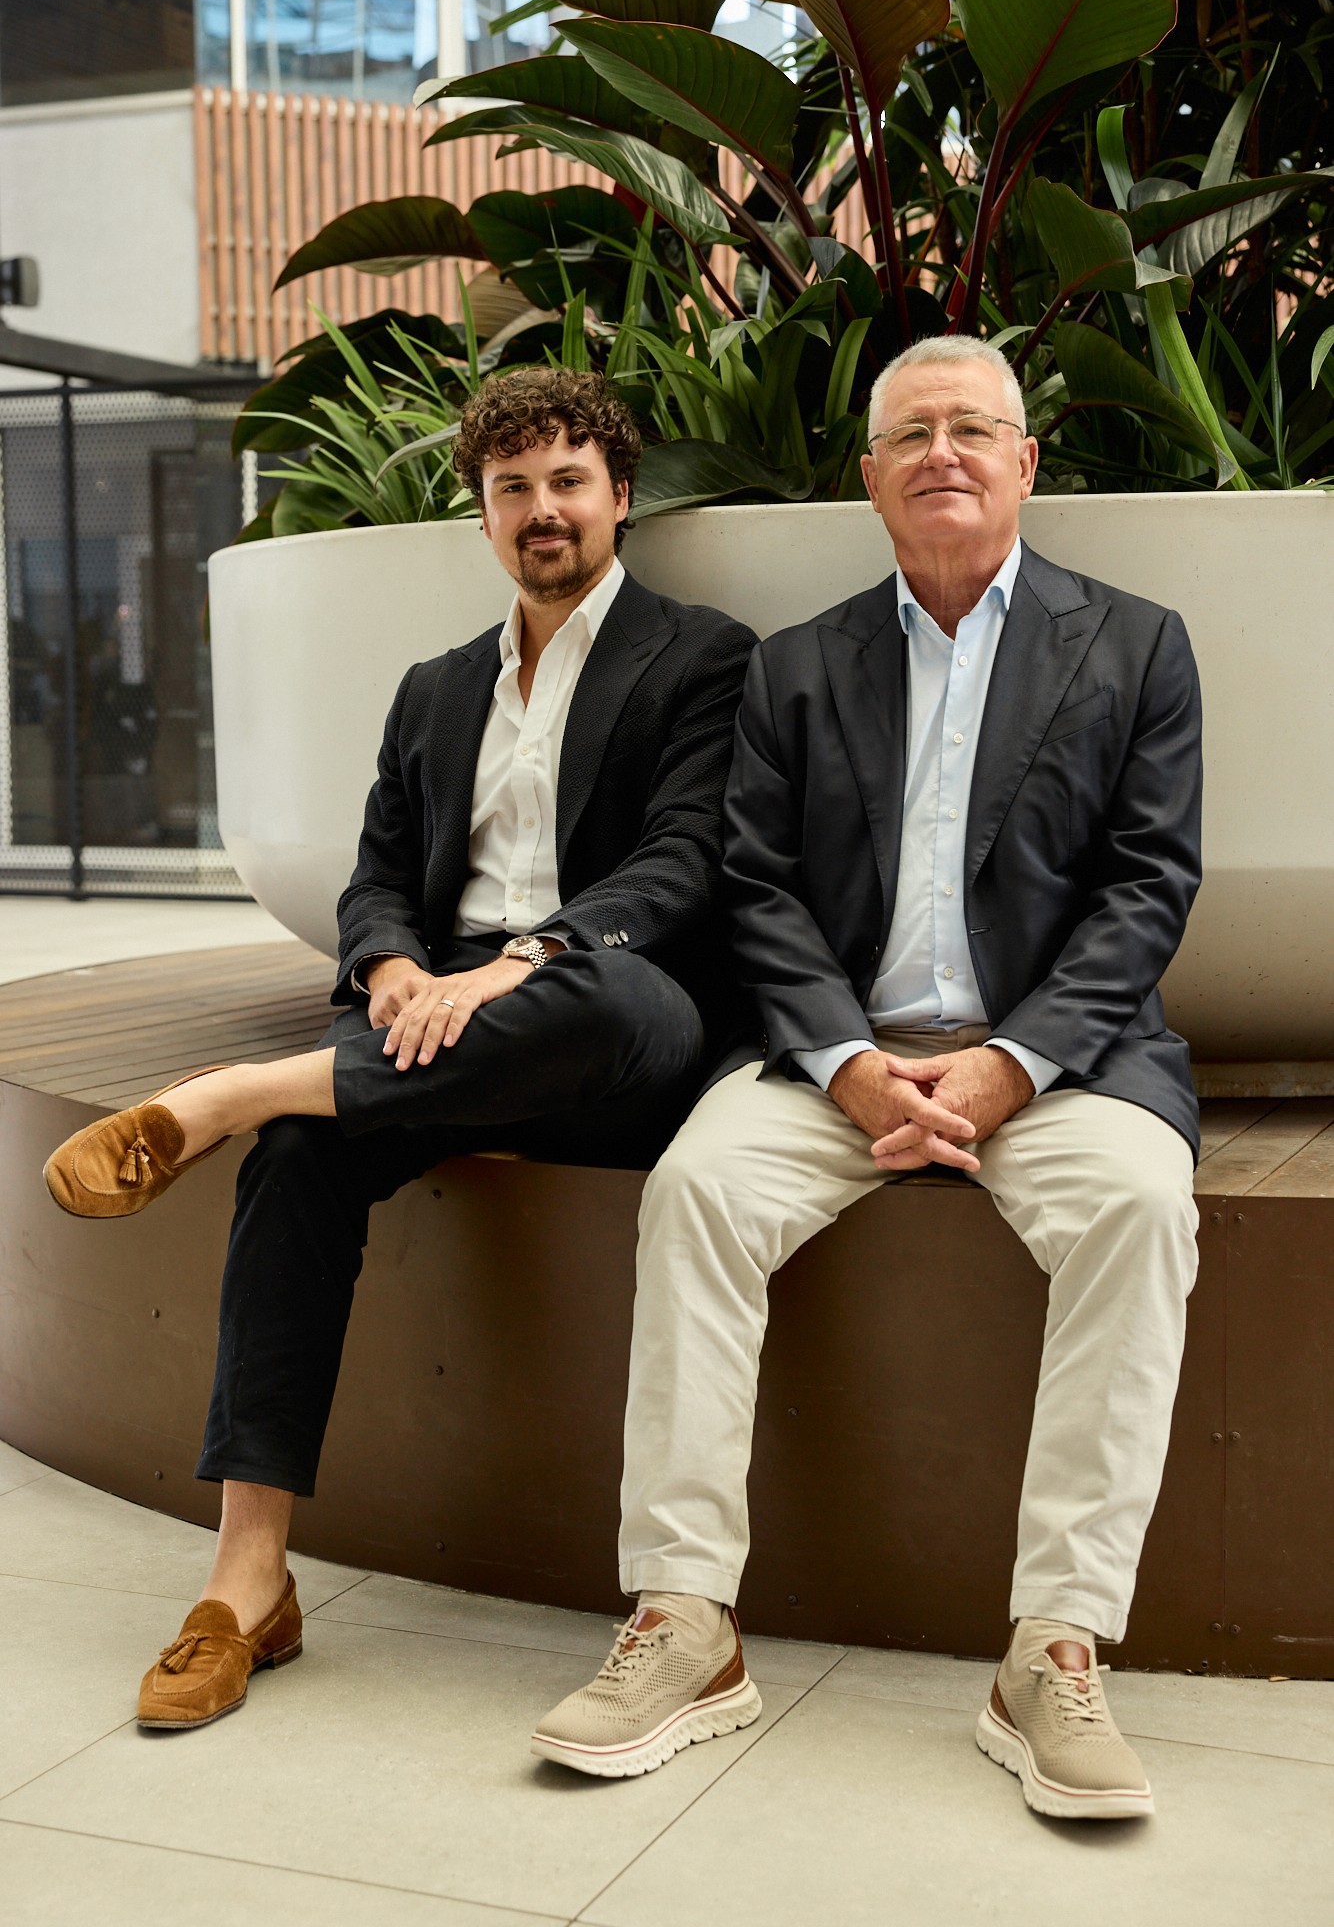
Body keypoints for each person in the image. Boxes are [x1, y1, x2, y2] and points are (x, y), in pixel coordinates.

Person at [533, 337, 1203, 1818]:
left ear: (1026, 464)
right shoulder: (797, 663)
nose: (944, 451)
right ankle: (686, 1621)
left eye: (976, 428)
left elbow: (1145, 890)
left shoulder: (1137, 644)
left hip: (1057, 1065)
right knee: (699, 1188)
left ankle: (1052, 1644)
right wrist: (844, 1064)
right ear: (869, 477)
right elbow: (756, 888)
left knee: (1142, 1210)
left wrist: (1010, 1067)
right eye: (913, 432)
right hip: (828, 1058)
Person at [44, 366, 757, 1733]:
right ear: (480, 515)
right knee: (301, 1157)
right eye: (511, 490)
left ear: (619, 493)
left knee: (599, 1003)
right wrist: (389, 969)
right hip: (425, 1026)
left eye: (565, 481)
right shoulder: (436, 689)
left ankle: (229, 1096)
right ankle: (247, 1580)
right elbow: (375, 881)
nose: (541, 510)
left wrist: (511, 966)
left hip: (603, 1012)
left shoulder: (704, 655)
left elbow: (684, 868)